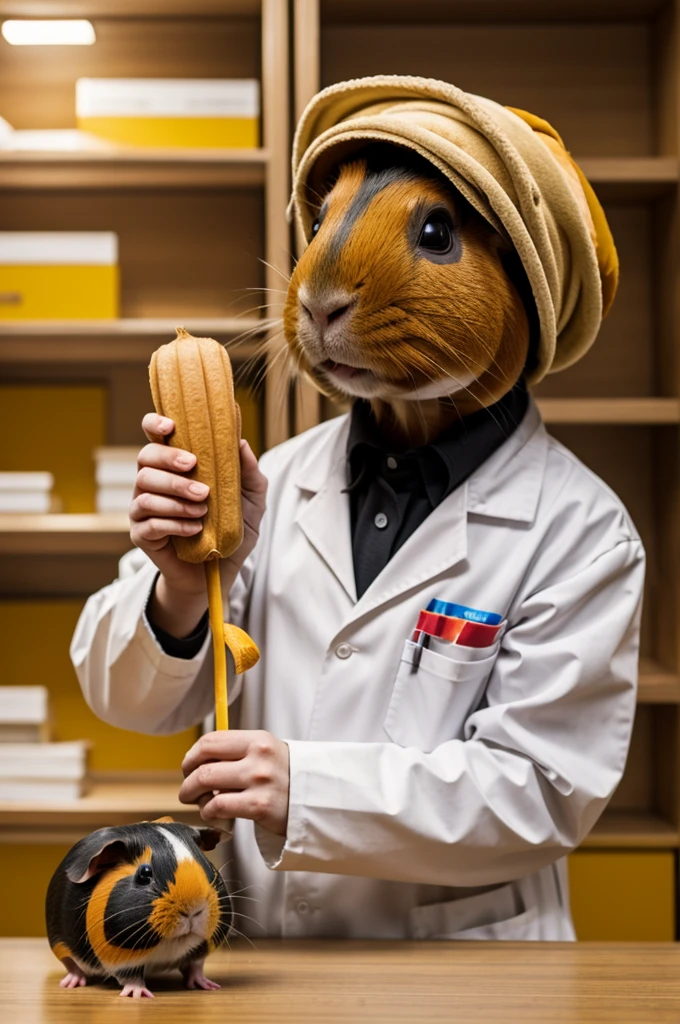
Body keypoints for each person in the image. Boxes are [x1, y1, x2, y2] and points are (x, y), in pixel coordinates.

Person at [71, 78, 645, 941]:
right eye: (325, 224)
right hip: (266, 962)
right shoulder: (274, 477)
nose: (320, 289)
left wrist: (310, 789)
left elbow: (542, 792)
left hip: (464, 983)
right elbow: (124, 700)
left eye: (435, 235)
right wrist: (182, 592)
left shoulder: (582, 532)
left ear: (526, 284)